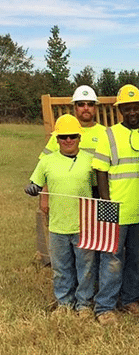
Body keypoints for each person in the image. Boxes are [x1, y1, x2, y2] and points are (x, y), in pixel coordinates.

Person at [24, 114, 96, 317]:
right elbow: (36, 183)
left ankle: (83, 304)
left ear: (79, 138)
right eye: (63, 137)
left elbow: (100, 189)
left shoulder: (90, 161)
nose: (68, 141)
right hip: (57, 225)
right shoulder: (46, 161)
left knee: (86, 268)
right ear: (56, 139)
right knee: (61, 268)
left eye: (72, 136)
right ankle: (64, 303)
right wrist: (32, 189)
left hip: (84, 225)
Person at [92, 84, 139, 326]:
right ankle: (104, 306)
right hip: (116, 208)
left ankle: (130, 299)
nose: (132, 112)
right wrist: (107, 204)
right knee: (112, 260)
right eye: (128, 108)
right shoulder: (109, 134)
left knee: (137, 258)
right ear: (121, 110)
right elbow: (100, 170)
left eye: (136, 107)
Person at [38, 85, 106, 212]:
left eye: (90, 104)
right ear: (75, 107)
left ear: (95, 108)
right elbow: (45, 167)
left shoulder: (106, 134)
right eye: (81, 104)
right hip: (66, 190)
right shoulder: (61, 133)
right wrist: (44, 197)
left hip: (97, 191)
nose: (86, 108)